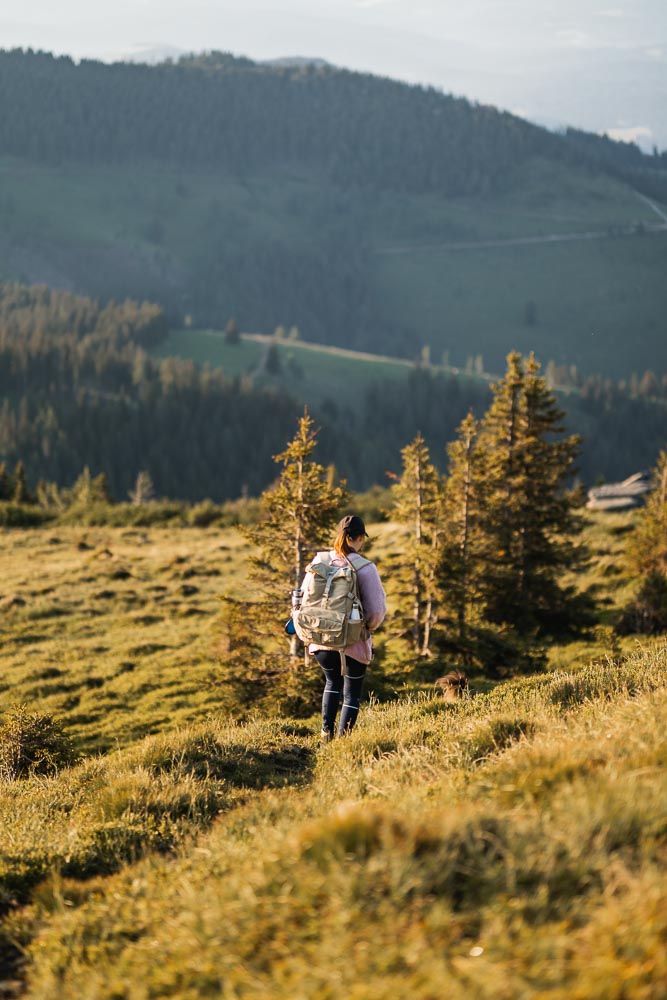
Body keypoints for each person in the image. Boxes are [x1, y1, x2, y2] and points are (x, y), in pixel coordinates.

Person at [307, 514, 386, 742]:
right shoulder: (365, 568)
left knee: (332, 683)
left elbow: (305, 598)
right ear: (360, 538)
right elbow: (376, 611)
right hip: (353, 640)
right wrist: (368, 629)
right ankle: (343, 742)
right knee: (351, 694)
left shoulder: (320, 561)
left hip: (321, 639)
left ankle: (325, 734)